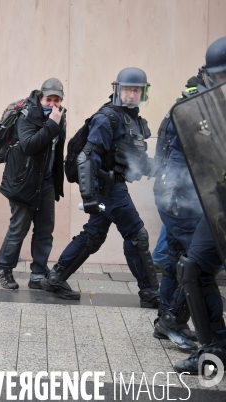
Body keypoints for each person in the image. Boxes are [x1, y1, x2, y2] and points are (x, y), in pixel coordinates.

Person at [41, 68, 160, 309]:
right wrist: (90, 197)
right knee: (137, 236)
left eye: (136, 89)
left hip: (111, 184)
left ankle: (56, 277)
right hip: (108, 188)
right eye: (127, 89)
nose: (131, 94)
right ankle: (150, 292)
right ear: (117, 90)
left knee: (93, 236)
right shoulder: (107, 118)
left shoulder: (131, 118)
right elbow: (87, 158)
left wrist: (162, 170)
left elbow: (132, 156)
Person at [171, 36, 226, 374]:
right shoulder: (213, 109)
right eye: (217, 78)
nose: (221, 85)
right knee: (193, 268)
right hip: (220, 200)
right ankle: (215, 348)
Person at [0, 78, 67, 290]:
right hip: (23, 181)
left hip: (45, 181)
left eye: (57, 100)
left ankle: (38, 273)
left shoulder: (59, 115)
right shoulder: (27, 114)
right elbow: (28, 145)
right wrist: (52, 124)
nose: (53, 104)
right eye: (48, 100)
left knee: (45, 229)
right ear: (40, 97)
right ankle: (3, 270)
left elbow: (57, 148)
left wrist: (57, 180)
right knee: (19, 227)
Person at [151, 73, 204, 351]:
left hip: (174, 196)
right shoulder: (193, 109)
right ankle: (172, 319)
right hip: (178, 198)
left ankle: (166, 318)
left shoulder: (185, 105)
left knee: (175, 257)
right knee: (197, 260)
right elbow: (185, 161)